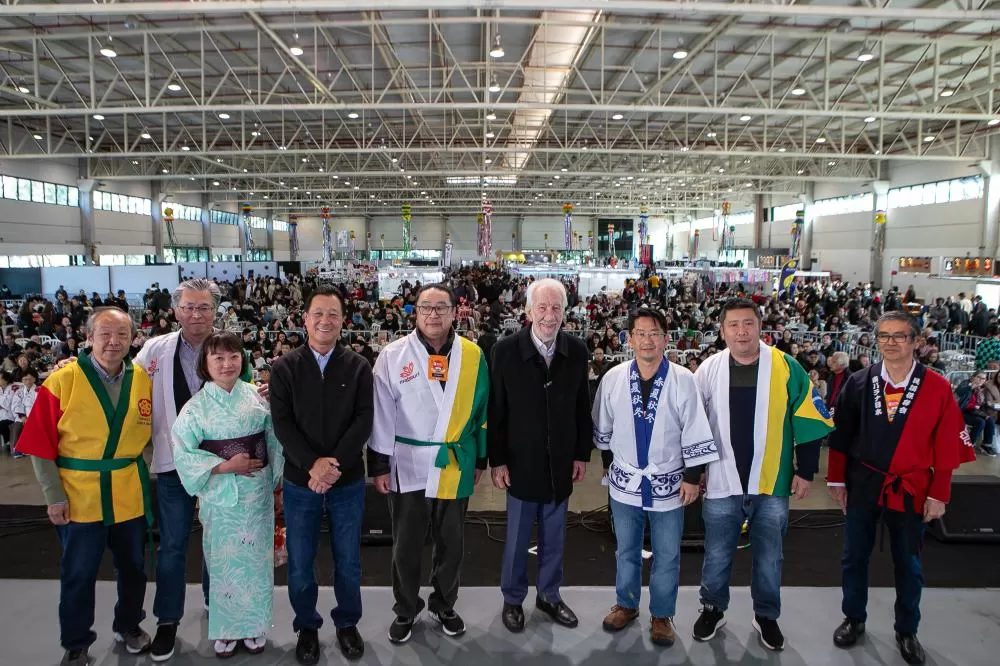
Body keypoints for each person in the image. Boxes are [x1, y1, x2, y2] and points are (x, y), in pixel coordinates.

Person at [827, 311, 975, 665]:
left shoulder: (937, 386)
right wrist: (836, 479)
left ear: (916, 342)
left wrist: (939, 494)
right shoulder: (859, 382)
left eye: (899, 336)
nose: (890, 343)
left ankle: (907, 629)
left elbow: (946, 447)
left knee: (908, 563)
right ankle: (854, 617)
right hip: (864, 481)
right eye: (883, 336)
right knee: (853, 557)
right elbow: (841, 435)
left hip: (912, 485)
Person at [693, 298, 834, 651]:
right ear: (722, 330)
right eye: (733, 325)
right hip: (721, 479)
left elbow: (808, 418)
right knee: (717, 553)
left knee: (770, 555)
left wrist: (807, 471)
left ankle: (766, 615)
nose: (741, 331)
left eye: (748, 323)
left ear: (760, 327)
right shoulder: (708, 370)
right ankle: (712, 608)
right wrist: (693, 474)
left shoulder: (787, 367)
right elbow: (692, 426)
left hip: (773, 481)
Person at [16, 307, 154, 666]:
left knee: (134, 568)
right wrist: (53, 496)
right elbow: (38, 445)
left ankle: (129, 625)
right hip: (79, 494)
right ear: (88, 337)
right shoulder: (62, 380)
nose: (113, 342)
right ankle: (76, 641)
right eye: (105, 334)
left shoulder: (142, 378)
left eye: (122, 335)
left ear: (132, 339)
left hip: (127, 491)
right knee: (78, 572)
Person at [134, 278, 253, 662]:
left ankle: (217, 604)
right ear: (175, 310)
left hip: (227, 466)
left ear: (215, 312)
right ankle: (167, 620)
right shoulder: (154, 350)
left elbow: (245, 397)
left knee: (220, 542)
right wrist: (78, 360)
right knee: (172, 545)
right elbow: (124, 381)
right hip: (175, 464)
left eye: (204, 308)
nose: (196, 314)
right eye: (188, 307)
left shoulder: (232, 350)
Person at [368, 283, 488, 645]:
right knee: (406, 542)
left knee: (452, 541)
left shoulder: (473, 355)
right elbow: (381, 414)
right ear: (415, 312)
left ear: (455, 312)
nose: (433, 314)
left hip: (454, 459)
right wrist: (378, 465)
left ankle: (444, 604)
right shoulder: (393, 355)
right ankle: (406, 608)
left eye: (441, 307)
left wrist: (480, 458)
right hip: (408, 460)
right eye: (425, 307)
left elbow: (482, 414)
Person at [592, 308, 718, 647]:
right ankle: (627, 604)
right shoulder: (614, 377)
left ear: (665, 338)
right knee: (627, 549)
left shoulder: (683, 379)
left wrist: (693, 477)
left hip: (670, 484)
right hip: (625, 481)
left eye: (655, 333)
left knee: (667, 554)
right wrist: (607, 461)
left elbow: (695, 429)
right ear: (629, 338)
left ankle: (662, 615)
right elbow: (603, 427)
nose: (648, 340)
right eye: (640, 333)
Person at [270, 286, 374, 665]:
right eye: (318, 314)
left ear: (343, 321)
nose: (325, 321)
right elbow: (282, 424)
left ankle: (347, 623)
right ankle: (307, 626)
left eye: (333, 314)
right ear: (305, 319)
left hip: (345, 482)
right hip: (301, 482)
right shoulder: (284, 368)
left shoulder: (359, 366)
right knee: (300, 560)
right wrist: (312, 465)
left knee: (348, 560)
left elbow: (364, 420)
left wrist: (332, 467)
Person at [170, 332, 284, 658]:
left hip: (258, 491)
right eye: (218, 357)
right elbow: (183, 451)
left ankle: (254, 626)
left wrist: (276, 484)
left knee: (257, 562)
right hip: (221, 496)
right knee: (223, 564)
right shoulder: (195, 407)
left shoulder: (258, 397)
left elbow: (274, 441)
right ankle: (226, 630)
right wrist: (224, 466)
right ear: (205, 364)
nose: (227, 363)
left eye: (233, 356)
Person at [488, 278, 593, 633]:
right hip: (520, 462)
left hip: (561, 461)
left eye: (556, 308)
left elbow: (583, 406)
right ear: (528, 311)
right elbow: (496, 410)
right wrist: (497, 459)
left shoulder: (577, 350)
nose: (549, 316)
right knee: (517, 539)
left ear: (566, 311)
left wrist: (582, 454)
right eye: (542, 308)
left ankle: (549, 595)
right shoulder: (504, 350)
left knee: (555, 537)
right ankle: (513, 599)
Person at [955, 372, 996, 456]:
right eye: (979, 377)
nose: (980, 380)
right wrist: (971, 386)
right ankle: (968, 446)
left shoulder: (981, 389)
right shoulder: (966, 383)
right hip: (961, 411)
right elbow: (959, 391)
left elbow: (980, 403)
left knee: (990, 419)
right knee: (980, 422)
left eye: (983, 379)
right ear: (972, 377)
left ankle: (986, 445)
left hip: (973, 411)